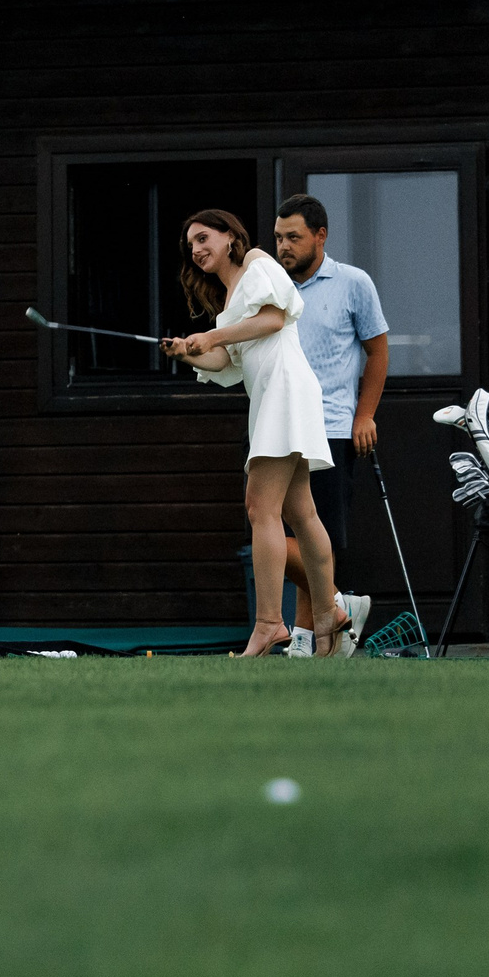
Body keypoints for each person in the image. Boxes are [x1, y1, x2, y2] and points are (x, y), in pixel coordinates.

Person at [159, 209, 342, 657]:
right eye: (191, 245)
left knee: (260, 507)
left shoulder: (258, 261)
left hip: (285, 388)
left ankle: (268, 624)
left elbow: (273, 320)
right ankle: (328, 616)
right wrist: (188, 352)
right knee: (301, 512)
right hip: (272, 396)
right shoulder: (226, 306)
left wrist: (212, 336)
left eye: (204, 238)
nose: (198, 249)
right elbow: (225, 364)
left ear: (229, 236)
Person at [271, 193, 387, 643]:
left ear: (320, 236)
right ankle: (336, 603)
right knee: (272, 533)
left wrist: (366, 415)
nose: (284, 246)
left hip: (332, 428)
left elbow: (377, 352)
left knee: (315, 535)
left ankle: (307, 638)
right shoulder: (273, 286)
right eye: (279, 238)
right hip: (275, 427)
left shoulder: (354, 282)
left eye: (294, 237)